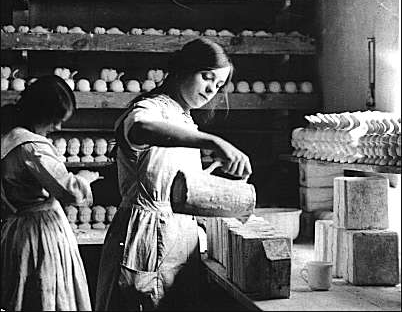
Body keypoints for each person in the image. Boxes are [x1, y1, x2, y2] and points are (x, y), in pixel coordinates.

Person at [96, 38, 252, 311]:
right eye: (207, 77)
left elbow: (176, 184)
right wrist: (213, 142)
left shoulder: (185, 118)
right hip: (144, 237)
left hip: (179, 240)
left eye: (218, 86)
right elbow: (142, 129)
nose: (211, 90)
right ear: (183, 69)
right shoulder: (150, 108)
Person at [1, 75, 100, 311]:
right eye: (56, 120)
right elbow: (71, 192)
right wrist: (86, 178)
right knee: (50, 297)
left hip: (17, 228)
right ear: (40, 114)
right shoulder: (31, 147)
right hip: (40, 231)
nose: (58, 128)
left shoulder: (7, 138)